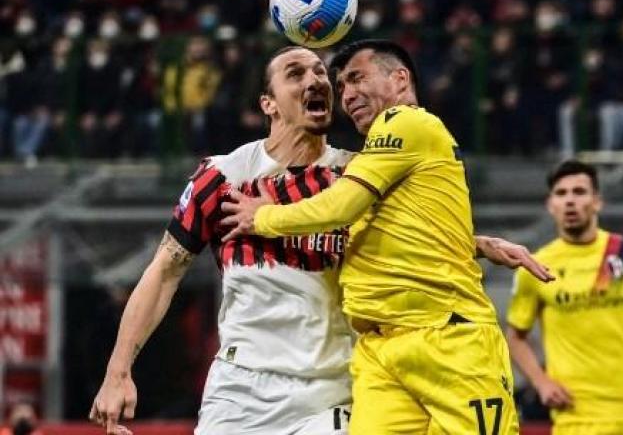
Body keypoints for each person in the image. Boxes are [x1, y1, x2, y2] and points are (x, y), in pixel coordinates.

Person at [219, 39, 554, 434]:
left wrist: (264, 217)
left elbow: (339, 208)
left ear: (399, 79)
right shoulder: (381, 158)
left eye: (358, 79)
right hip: (380, 349)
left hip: (447, 339)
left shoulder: (408, 123)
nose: (347, 94)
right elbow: (404, 229)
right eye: (342, 85)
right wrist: (478, 244)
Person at [90, 46, 355, 435]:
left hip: (332, 389)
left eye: (319, 72)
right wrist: (118, 371)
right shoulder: (223, 176)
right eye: (295, 74)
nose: (315, 80)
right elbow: (164, 271)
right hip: (240, 391)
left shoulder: (356, 177)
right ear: (269, 104)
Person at [506, 159, 623, 435]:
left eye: (579, 192)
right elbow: (515, 337)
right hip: (576, 417)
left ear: (597, 202)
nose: (570, 201)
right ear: (551, 205)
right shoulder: (535, 265)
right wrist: (541, 382)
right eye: (561, 193)